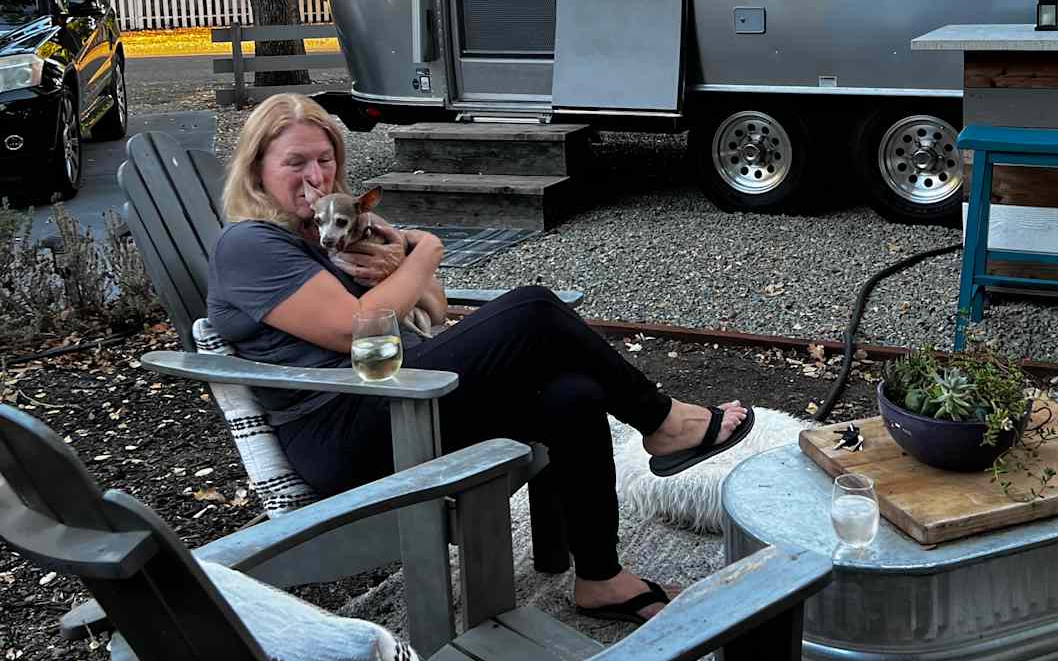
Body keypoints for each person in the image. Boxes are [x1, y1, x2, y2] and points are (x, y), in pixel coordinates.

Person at [207, 95, 755, 625]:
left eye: (325, 159)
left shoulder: (335, 228)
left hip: (407, 398)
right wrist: (426, 252)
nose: (316, 175)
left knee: (572, 394)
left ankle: (600, 576)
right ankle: (662, 422)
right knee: (535, 308)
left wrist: (402, 265)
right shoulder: (251, 244)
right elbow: (353, 333)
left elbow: (436, 311)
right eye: (295, 162)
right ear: (257, 170)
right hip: (349, 428)